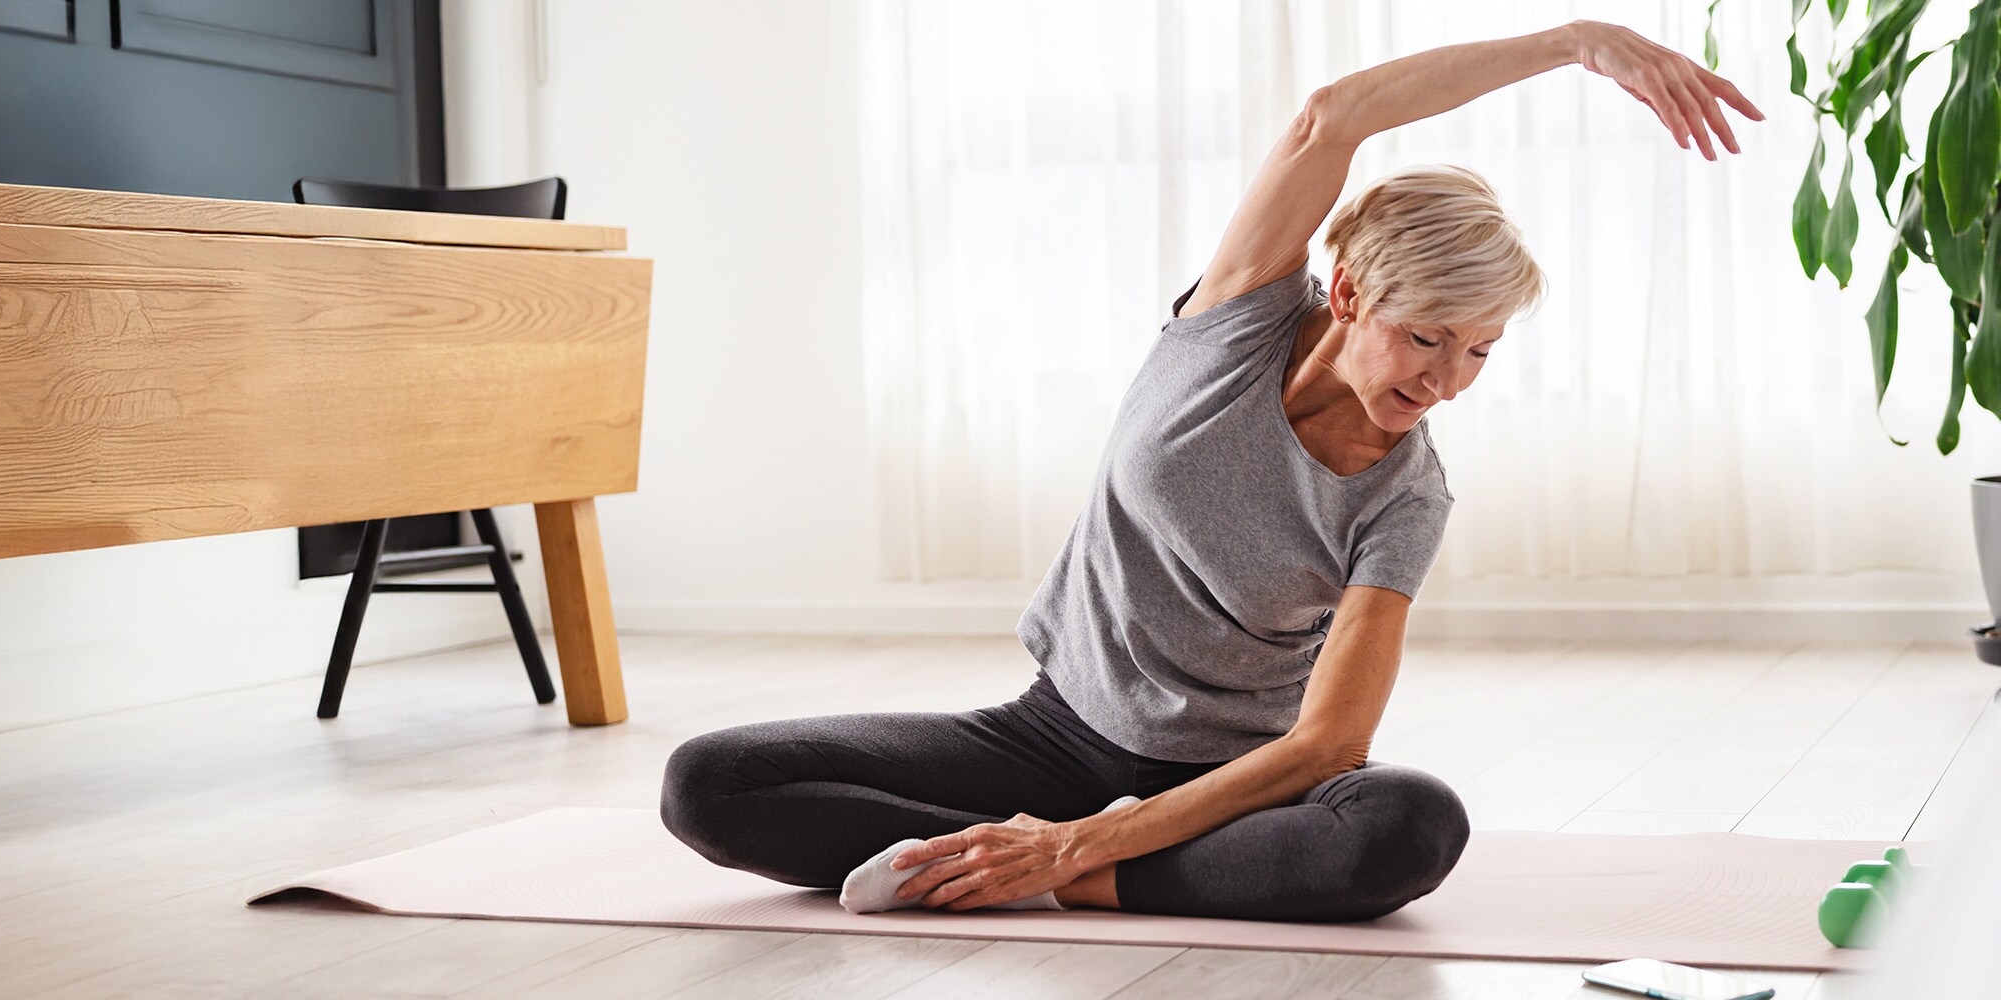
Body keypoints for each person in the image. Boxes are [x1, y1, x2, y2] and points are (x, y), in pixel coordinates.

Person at [661, 19, 1764, 921]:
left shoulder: (1404, 494)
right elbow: (1334, 116)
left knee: (1408, 824)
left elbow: (1333, 741)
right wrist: (1577, 43)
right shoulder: (1232, 322)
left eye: (1481, 351)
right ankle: (1032, 862)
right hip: (1046, 735)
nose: (1448, 381)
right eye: (1427, 337)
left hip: (1225, 787)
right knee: (708, 783)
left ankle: (1067, 876)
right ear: (1348, 298)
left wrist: (1090, 840)